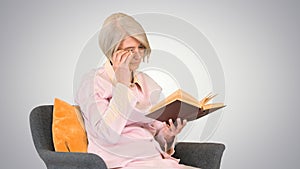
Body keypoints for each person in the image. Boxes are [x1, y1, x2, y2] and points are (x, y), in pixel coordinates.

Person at [75, 12, 200, 169]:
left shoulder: (147, 83)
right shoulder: (93, 82)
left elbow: (158, 139)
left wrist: (168, 135)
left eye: (140, 48)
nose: (137, 55)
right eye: (129, 49)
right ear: (112, 51)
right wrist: (122, 84)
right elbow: (107, 135)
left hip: (155, 162)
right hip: (119, 164)